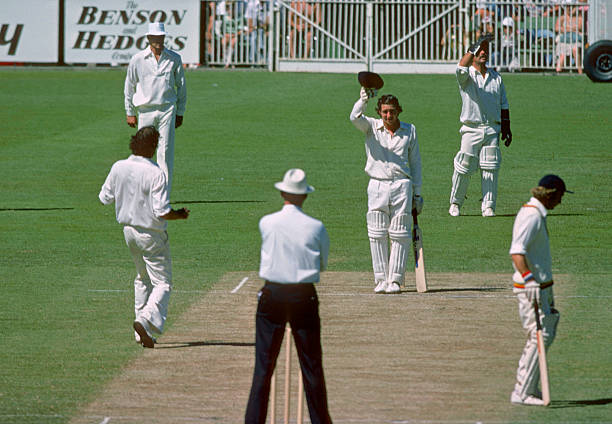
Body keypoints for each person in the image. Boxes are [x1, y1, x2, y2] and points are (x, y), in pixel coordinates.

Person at [245, 168, 332, 424]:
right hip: (303, 296)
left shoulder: (267, 222)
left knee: (263, 369)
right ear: (304, 196)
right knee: (312, 367)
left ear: (283, 192)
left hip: (272, 294)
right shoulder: (316, 227)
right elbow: (322, 264)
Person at [98, 126, 190, 348]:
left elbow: (104, 198)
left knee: (142, 278)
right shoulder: (156, 173)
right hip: (151, 236)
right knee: (163, 284)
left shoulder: (118, 166)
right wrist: (179, 215)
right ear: (153, 147)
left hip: (129, 233)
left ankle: (141, 334)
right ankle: (145, 319)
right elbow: (161, 211)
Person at [350, 88, 423, 294]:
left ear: (398, 111)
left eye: (392, 111)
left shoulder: (410, 130)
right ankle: (381, 279)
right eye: (384, 112)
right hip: (377, 184)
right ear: (379, 112)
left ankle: (396, 281)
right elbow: (354, 117)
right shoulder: (371, 126)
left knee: (400, 232)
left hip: (402, 184)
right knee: (376, 231)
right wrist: (362, 101)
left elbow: (416, 163)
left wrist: (417, 193)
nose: (388, 116)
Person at [509, 174, 571, 406]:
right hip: (531, 289)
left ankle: (529, 387)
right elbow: (517, 251)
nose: (561, 202)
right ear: (550, 194)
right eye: (560, 196)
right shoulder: (531, 216)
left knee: (544, 335)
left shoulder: (537, 214)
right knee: (538, 338)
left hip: (542, 287)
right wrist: (529, 280)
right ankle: (522, 392)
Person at [449, 35, 511, 218]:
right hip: (471, 128)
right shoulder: (467, 76)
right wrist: (471, 48)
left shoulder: (496, 77)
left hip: (492, 128)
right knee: (464, 167)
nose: (483, 52)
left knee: (490, 167)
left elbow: (504, 104)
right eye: (479, 50)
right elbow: (460, 67)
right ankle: (455, 203)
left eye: (486, 49)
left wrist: (506, 128)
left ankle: (488, 206)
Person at [124, 22, 187, 195]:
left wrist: (180, 112)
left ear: (164, 37)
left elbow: (181, 87)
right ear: (148, 38)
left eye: (161, 37)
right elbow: (129, 86)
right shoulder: (138, 59)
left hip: (167, 109)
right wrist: (129, 111)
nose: (158, 41)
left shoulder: (174, 58)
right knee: (143, 151)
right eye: (155, 37)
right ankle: (144, 191)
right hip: (145, 110)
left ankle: (162, 194)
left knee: (165, 151)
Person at [554, 5, 584, 74]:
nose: (570, 9)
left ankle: (580, 70)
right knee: (562, 53)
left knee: (575, 49)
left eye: (572, 7)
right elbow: (557, 28)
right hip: (564, 38)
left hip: (576, 38)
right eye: (568, 7)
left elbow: (579, 27)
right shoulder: (561, 17)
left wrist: (566, 28)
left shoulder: (579, 17)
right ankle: (558, 70)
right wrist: (571, 29)